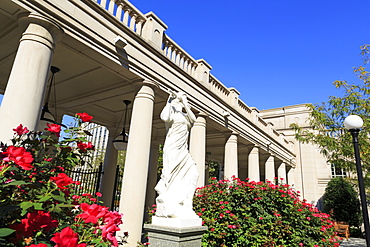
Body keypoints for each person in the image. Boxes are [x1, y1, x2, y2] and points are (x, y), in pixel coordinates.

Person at [154, 90, 199, 218]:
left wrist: (185, 102)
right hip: (173, 147)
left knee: (193, 173)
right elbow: (164, 117)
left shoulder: (186, 116)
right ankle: (170, 201)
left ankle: (186, 203)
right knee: (170, 174)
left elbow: (194, 119)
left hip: (183, 149)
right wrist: (169, 100)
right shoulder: (171, 113)